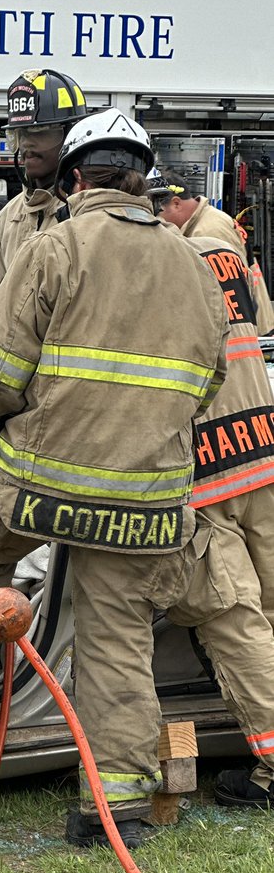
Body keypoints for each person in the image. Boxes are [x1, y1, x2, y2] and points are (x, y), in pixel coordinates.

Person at [0, 108, 229, 849]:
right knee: (116, 639)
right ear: (143, 178)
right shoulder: (194, 263)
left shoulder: (56, 248)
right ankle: (113, 808)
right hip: (144, 504)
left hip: (39, 487)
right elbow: (206, 384)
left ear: (78, 178)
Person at [159, 233, 274, 808]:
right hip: (265, 454)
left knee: (233, 620)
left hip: (204, 476)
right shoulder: (221, 250)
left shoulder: (154, 264)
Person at [0, 68, 88, 308]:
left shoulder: (87, 212)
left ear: (71, 136)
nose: (27, 143)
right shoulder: (9, 215)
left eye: (40, 132)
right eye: (21, 134)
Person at [151, 170, 273, 327]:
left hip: (237, 333)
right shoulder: (207, 222)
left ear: (176, 203)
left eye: (158, 213)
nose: (157, 221)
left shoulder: (208, 232)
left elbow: (224, 296)